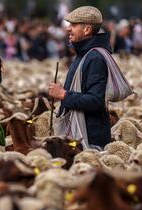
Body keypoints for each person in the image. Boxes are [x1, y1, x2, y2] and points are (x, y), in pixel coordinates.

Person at [48, 6, 112, 150]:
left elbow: (96, 100)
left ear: (87, 30)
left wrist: (63, 94)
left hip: (90, 139)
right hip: (80, 135)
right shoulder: (83, 54)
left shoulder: (95, 57)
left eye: (73, 25)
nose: (68, 29)